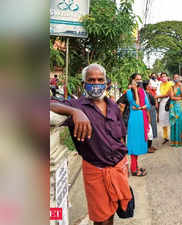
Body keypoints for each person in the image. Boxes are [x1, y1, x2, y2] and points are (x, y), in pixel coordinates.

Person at [50, 64, 131, 225]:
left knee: (115, 209)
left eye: (100, 80)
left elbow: (121, 136)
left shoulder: (113, 106)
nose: (96, 84)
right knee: (101, 219)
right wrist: (75, 113)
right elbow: (48, 103)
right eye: (91, 80)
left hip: (118, 167)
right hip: (96, 170)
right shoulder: (77, 106)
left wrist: (126, 162)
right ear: (84, 84)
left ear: (106, 83)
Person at [118, 73, 151, 176]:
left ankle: (135, 166)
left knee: (138, 143)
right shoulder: (128, 92)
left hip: (141, 118)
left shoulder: (143, 91)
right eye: (137, 80)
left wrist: (140, 108)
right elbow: (136, 103)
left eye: (140, 79)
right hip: (134, 120)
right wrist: (135, 90)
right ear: (132, 80)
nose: (139, 81)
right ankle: (134, 170)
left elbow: (148, 105)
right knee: (134, 145)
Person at [156, 72, 174, 144]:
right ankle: (165, 137)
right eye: (162, 77)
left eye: (164, 76)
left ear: (167, 77)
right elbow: (157, 93)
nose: (163, 78)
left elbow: (168, 94)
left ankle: (173, 136)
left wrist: (158, 96)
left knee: (171, 118)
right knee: (163, 119)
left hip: (169, 102)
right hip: (162, 103)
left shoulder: (171, 84)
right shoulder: (160, 84)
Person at [169, 74, 182, 147]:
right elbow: (172, 97)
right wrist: (180, 98)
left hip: (181, 107)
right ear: (173, 79)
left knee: (181, 122)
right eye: (175, 77)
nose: (176, 79)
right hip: (174, 107)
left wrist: (181, 87)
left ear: (180, 78)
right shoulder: (172, 87)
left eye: (177, 77)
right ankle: (175, 141)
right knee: (174, 123)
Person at [143, 81, 158, 152]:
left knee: (152, 128)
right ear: (146, 86)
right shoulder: (144, 94)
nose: (150, 85)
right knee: (149, 130)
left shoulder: (149, 93)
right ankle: (147, 147)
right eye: (149, 84)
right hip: (148, 112)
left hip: (152, 111)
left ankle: (150, 145)